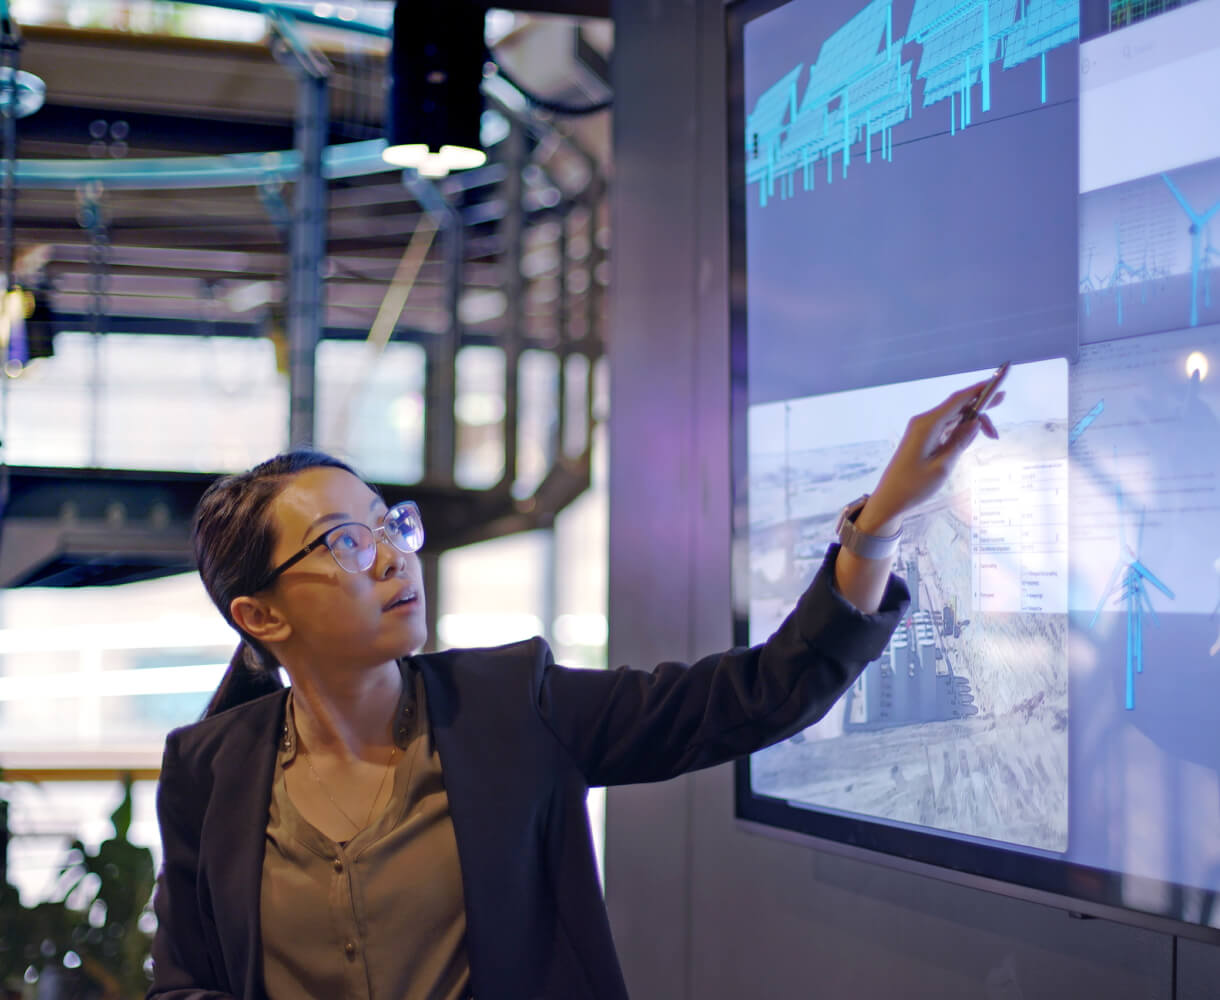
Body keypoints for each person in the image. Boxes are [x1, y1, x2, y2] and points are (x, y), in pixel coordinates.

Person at [147, 381, 1000, 1000]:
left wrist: (879, 524)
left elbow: (761, 693)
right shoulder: (207, 767)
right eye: (342, 542)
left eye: (387, 523)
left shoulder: (512, 706)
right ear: (261, 616)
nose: (391, 554)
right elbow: (183, 983)